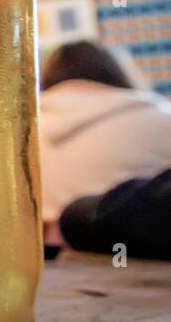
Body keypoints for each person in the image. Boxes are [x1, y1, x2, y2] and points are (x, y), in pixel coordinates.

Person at [38, 40, 171, 247]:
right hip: (135, 262)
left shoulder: (21, 132)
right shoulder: (162, 119)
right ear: (119, 72)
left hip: (46, 265)